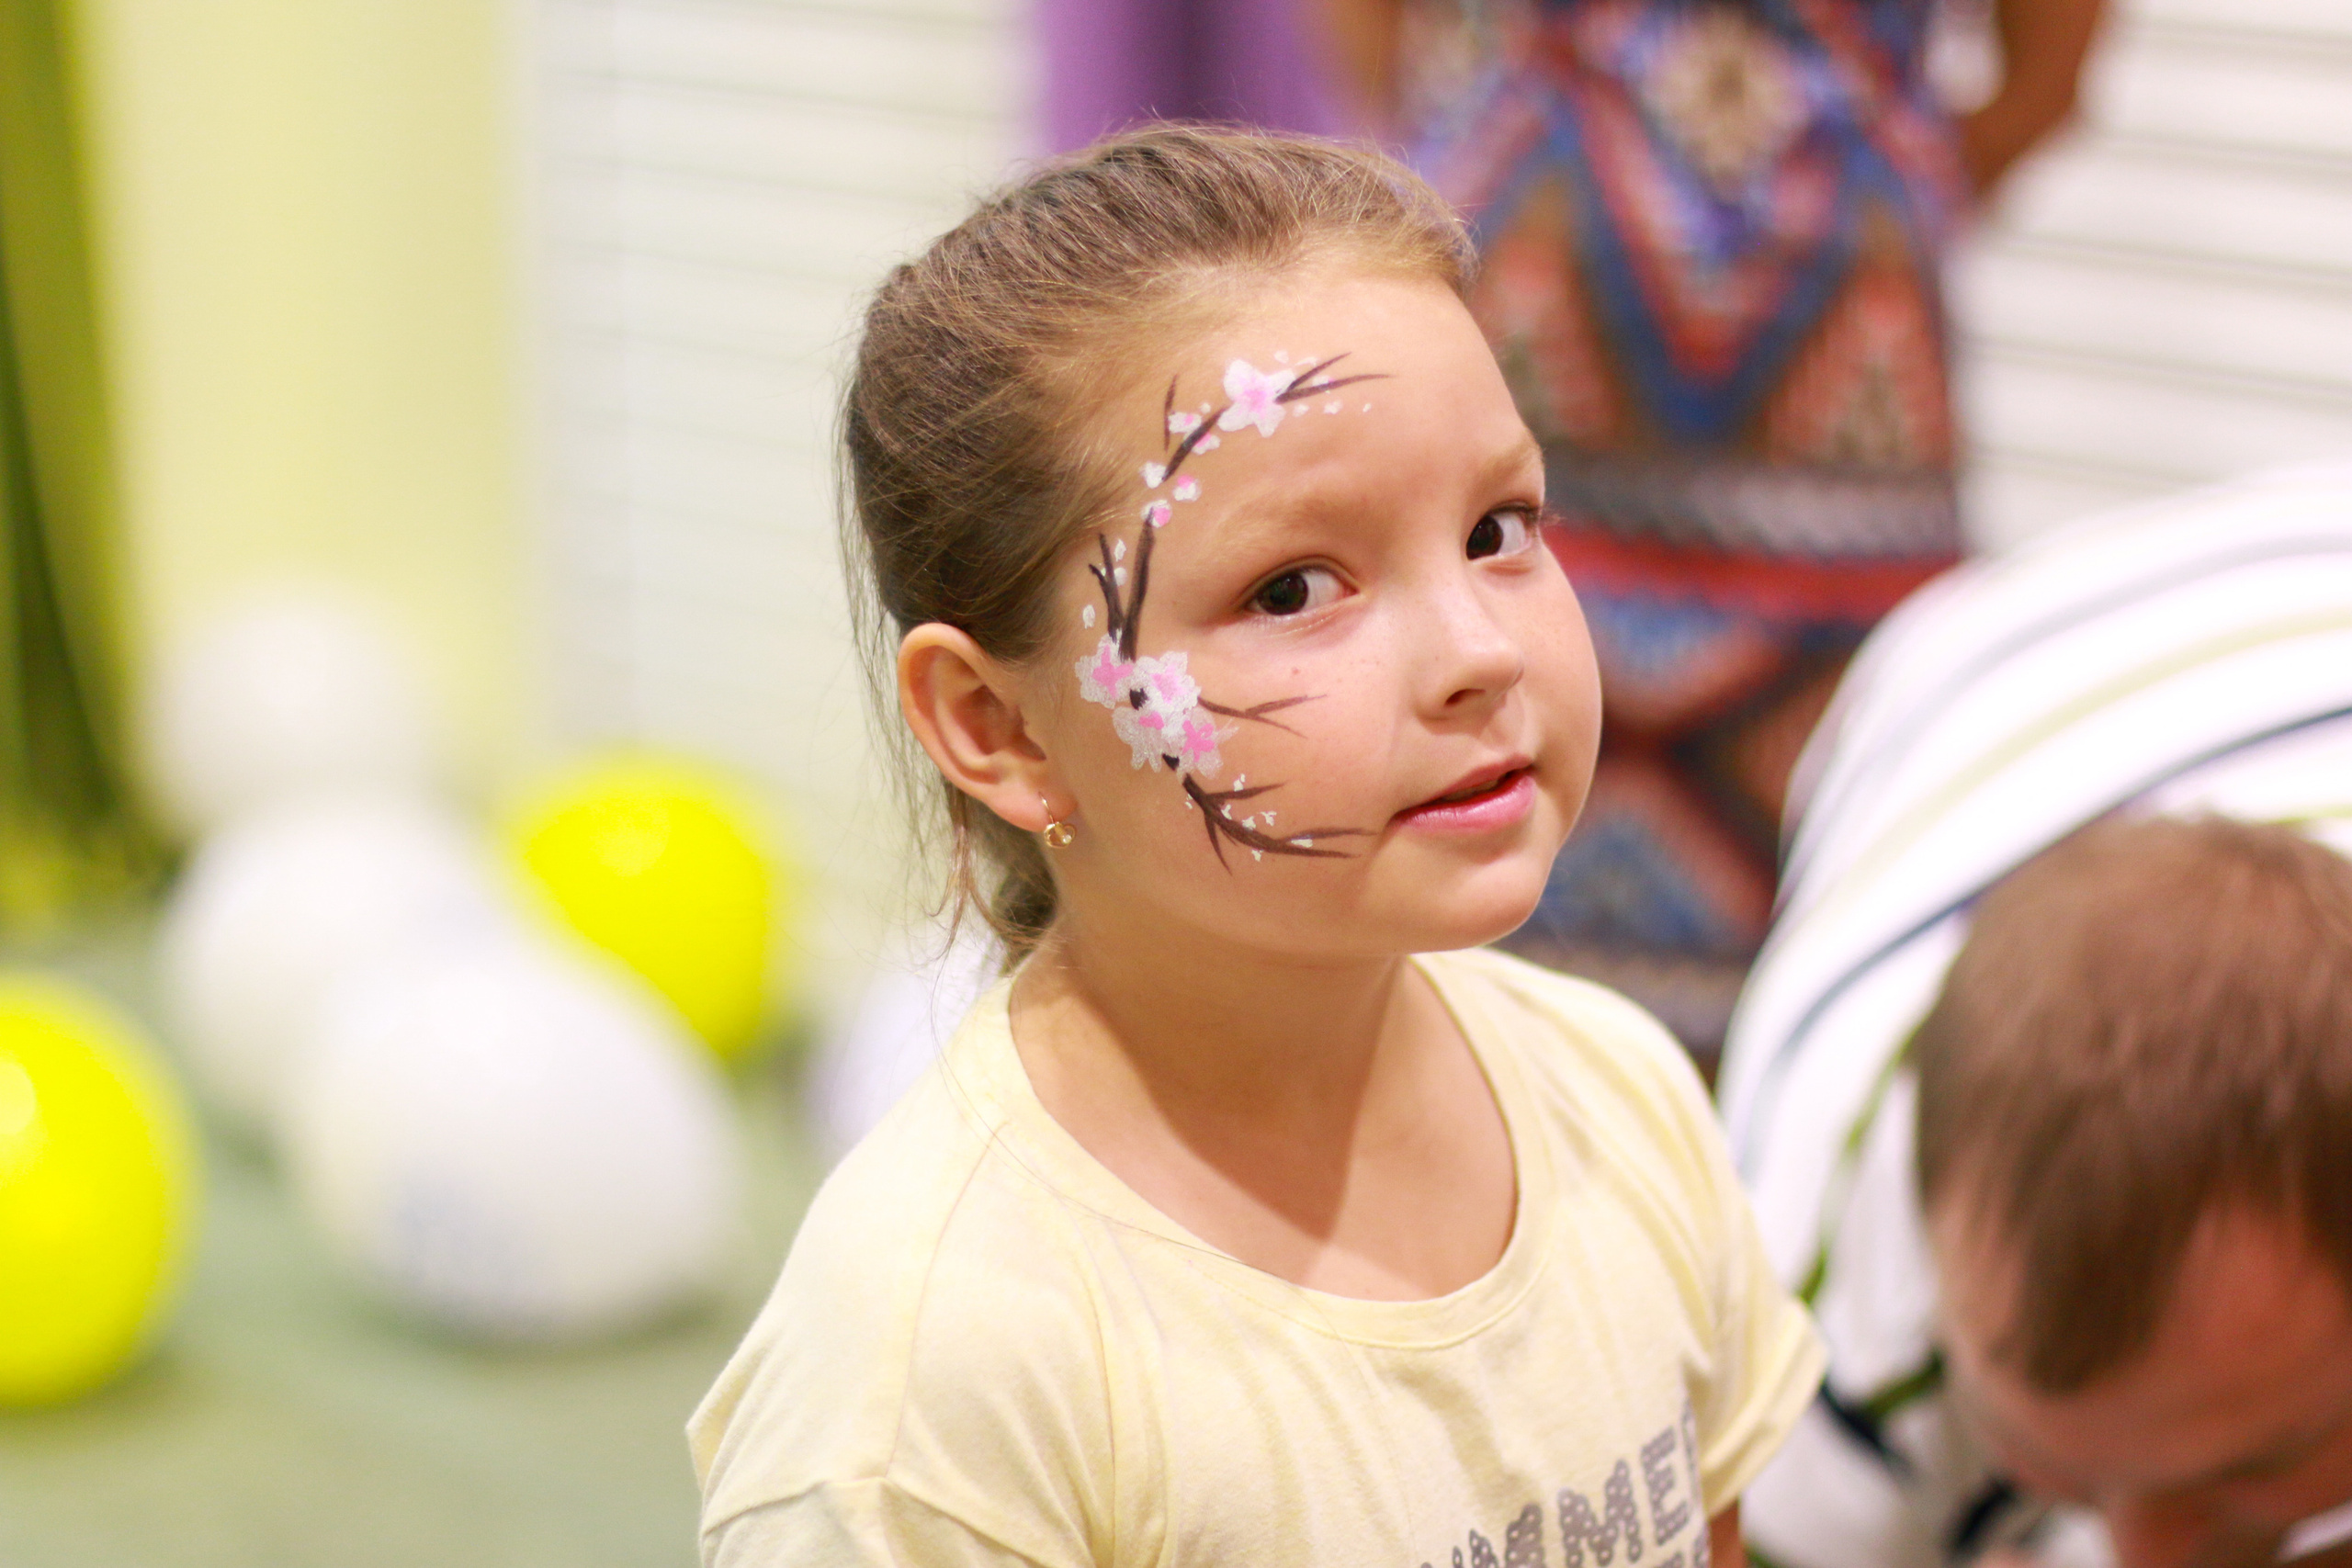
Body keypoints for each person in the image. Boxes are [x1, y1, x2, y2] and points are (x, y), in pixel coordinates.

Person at [687, 128, 1823, 1566]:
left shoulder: (1622, 1095)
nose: (1479, 649)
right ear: (1000, 726)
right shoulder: (942, 1382)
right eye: (1294, 586)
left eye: (1499, 526)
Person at [1313, 0, 2105, 1056]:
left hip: (1835, 406)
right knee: (1474, 727)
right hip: (1532, 342)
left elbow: (2045, 80)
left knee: (1840, 822)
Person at [1711, 466, 2352, 1567]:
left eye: (2250, 1465)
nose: (2149, 1558)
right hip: (1968, 669)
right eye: (2050, 1459)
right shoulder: (1805, 1303)